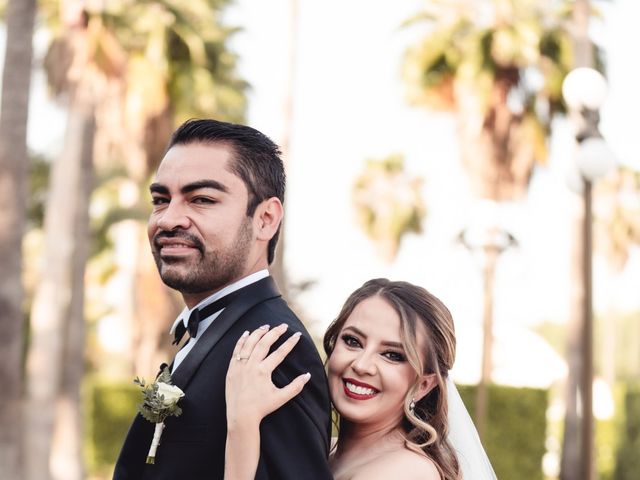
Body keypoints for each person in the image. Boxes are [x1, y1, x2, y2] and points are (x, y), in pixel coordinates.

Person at [113, 119, 333, 480]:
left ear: (265, 219)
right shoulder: (214, 329)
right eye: (161, 200)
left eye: (202, 199)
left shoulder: (272, 349)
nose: (168, 219)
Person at [224, 278, 498, 480]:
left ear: (424, 385)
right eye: (352, 341)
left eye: (392, 355)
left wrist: (241, 427)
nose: (362, 365)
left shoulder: (407, 471)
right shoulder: (324, 449)